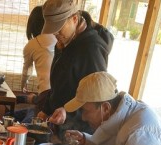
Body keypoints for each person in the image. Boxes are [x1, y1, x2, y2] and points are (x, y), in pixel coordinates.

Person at [38, 0, 112, 133]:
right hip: (58, 123)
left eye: (59, 28)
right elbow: (59, 84)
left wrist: (69, 113)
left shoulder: (91, 48)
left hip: (79, 129)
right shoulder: (63, 42)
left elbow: (97, 98)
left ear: (74, 19)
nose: (56, 34)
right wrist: (46, 109)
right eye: (53, 30)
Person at [21, 6, 56, 101]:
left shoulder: (32, 45)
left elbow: (27, 69)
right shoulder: (58, 39)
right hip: (60, 93)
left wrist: (23, 84)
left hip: (45, 94)